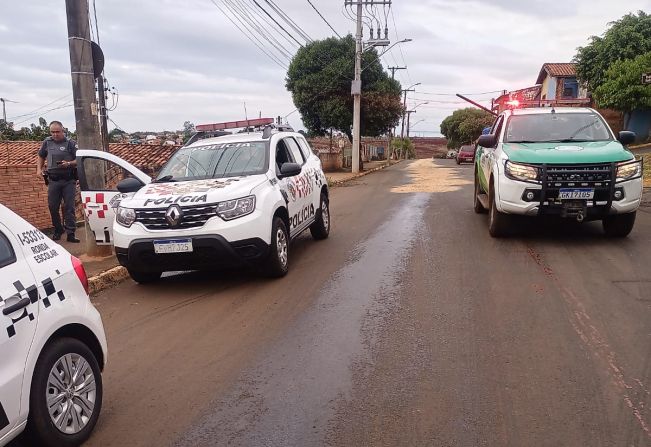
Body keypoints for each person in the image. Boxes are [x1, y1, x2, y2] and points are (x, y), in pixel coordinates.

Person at [36, 121, 80, 243]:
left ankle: (71, 233)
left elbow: (79, 159)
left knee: (69, 207)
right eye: (52, 132)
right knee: (52, 207)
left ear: (63, 131)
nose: (55, 134)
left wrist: (69, 163)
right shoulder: (47, 142)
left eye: (57, 132)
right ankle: (58, 229)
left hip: (68, 180)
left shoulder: (70, 143)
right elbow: (41, 156)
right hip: (53, 180)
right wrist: (39, 169)